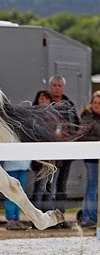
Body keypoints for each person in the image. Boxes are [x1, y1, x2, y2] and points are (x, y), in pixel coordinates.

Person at [47, 75, 80, 223]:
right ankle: (46, 216)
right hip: (48, 152)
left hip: (65, 153)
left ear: (63, 88)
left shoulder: (69, 106)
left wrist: (67, 135)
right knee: (47, 185)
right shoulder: (45, 105)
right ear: (50, 87)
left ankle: (60, 216)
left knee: (61, 185)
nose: (56, 88)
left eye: (59, 85)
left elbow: (76, 127)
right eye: (54, 85)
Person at [77, 90, 100, 228]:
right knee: (92, 187)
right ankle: (90, 217)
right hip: (91, 157)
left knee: (92, 187)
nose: (97, 105)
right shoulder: (87, 117)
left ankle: (87, 216)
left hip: (97, 156)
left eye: (99, 103)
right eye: (95, 102)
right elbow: (81, 136)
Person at [29, 90, 53, 211]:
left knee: (49, 189)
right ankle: (37, 216)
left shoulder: (55, 116)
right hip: (39, 159)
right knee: (39, 188)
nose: (44, 101)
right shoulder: (33, 116)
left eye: (46, 99)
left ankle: (49, 216)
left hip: (53, 158)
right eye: (41, 98)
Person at [2, 161, 30, 230]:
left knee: (19, 194)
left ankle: (16, 219)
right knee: (10, 194)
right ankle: (10, 220)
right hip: (11, 167)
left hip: (23, 166)